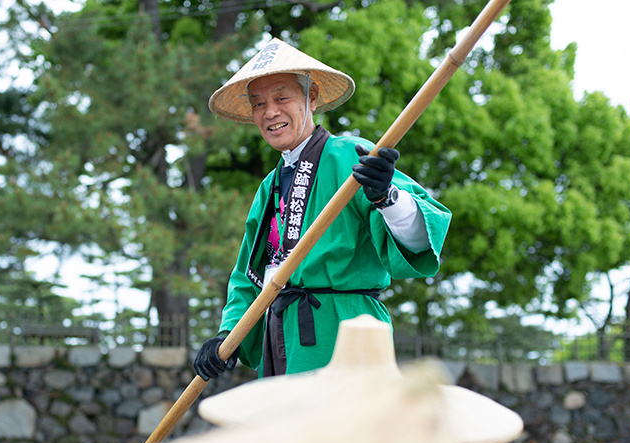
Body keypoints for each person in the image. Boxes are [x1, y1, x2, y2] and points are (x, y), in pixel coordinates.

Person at [193, 38, 451, 380]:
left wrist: (385, 195)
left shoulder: (351, 155)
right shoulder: (268, 187)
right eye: (258, 104)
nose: (270, 112)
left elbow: (421, 238)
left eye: (281, 97)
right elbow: (249, 274)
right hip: (283, 334)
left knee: (344, 430)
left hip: (347, 329)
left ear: (311, 97)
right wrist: (228, 336)